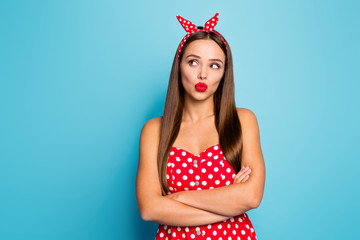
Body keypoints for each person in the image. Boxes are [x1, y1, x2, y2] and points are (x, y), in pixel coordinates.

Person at [136, 13, 265, 240]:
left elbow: (251, 197)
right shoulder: (154, 130)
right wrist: (228, 207)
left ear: (224, 73)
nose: (203, 74)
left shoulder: (243, 121)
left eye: (215, 65)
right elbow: (149, 209)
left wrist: (177, 198)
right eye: (193, 62)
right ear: (179, 66)